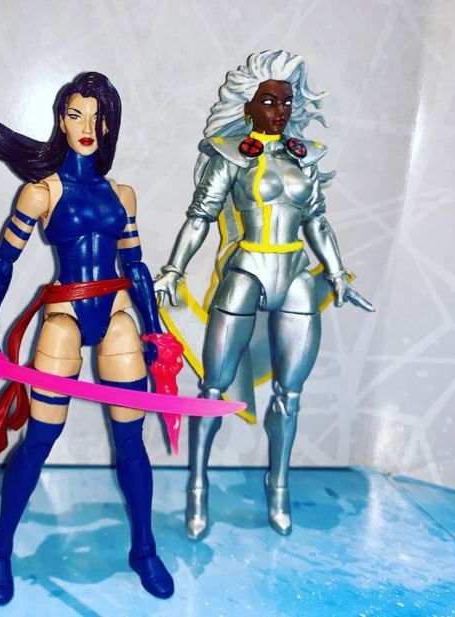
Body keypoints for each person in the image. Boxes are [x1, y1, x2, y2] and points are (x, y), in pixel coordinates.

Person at [0, 71, 174, 604]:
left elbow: (135, 266)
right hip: (65, 313)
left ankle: (143, 548)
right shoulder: (42, 192)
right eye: (75, 114)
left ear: (109, 125)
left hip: (116, 314)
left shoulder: (122, 194)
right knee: (40, 439)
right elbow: (2, 262)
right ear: (61, 121)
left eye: (97, 117)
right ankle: (1, 548)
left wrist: (156, 330)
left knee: (131, 440)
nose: (86, 126)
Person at [154, 51, 374, 538]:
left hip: (294, 272)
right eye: (270, 101)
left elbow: (317, 219)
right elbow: (200, 216)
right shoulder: (231, 154)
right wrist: (173, 269)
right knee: (213, 389)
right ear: (249, 106)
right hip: (247, 268)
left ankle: (279, 487)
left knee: (290, 396)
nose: (280, 111)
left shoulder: (304, 156)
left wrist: (337, 272)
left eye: (286, 102)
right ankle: (198, 489)